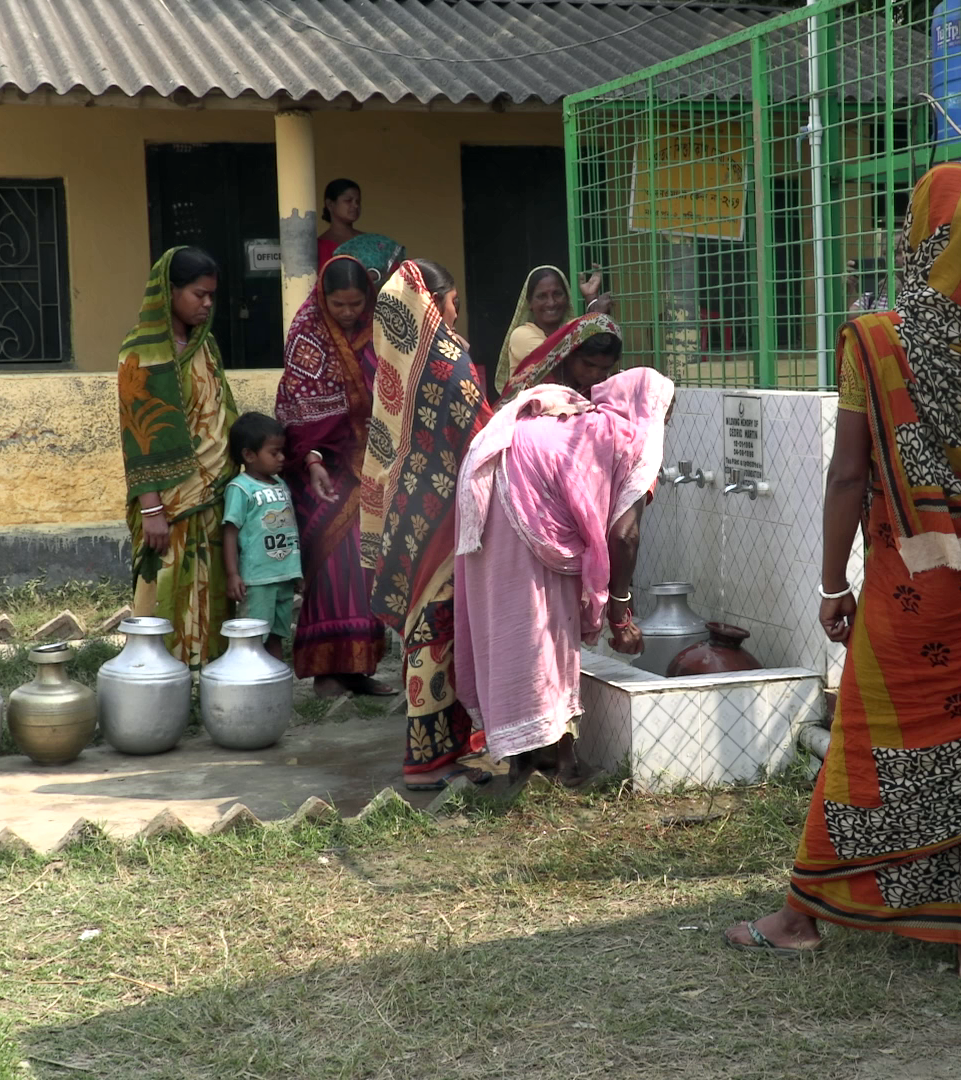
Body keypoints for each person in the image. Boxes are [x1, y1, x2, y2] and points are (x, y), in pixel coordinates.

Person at [722, 163, 961, 980]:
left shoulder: (878, 342)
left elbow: (848, 475)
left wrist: (829, 584)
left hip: (911, 597)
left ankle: (802, 917)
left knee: (866, 749)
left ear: (918, 238)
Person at [453, 367, 672, 786]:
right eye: (666, 415)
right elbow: (624, 536)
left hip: (485, 479)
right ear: (652, 411)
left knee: (507, 631)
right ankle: (560, 766)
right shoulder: (632, 440)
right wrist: (621, 617)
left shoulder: (582, 422)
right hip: (524, 505)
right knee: (543, 632)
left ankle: (522, 762)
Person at [361, 259, 495, 791]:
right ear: (433, 303)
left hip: (406, 513)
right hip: (441, 520)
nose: (457, 313)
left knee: (425, 627)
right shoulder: (445, 360)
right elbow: (478, 428)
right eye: (453, 302)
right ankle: (428, 758)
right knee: (437, 628)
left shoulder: (396, 359)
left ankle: (445, 744)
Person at [276, 253, 395, 696]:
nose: (348, 314)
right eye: (339, 305)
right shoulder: (307, 335)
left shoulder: (378, 331)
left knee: (366, 569)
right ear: (324, 299)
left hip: (371, 466)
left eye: (355, 305)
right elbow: (298, 413)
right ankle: (326, 669)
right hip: (320, 470)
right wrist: (312, 460)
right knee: (331, 570)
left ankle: (360, 667)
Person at [119, 246, 240, 670]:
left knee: (214, 587)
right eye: (198, 294)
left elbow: (221, 412)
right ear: (169, 292)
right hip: (169, 505)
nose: (207, 304)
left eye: (211, 296)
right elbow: (137, 434)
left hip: (215, 493)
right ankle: (160, 677)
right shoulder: (142, 353)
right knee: (169, 586)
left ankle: (212, 673)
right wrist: (151, 507)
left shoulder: (206, 349)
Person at [220, 413, 303, 660]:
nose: (282, 458)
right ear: (249, 455)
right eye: (274, 452)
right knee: (254, 637)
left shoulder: (280, 484)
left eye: (282, 451)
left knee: (277, 634)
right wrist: (233, 574)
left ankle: (274, 681)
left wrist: (296, 573)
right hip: (257, 580)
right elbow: (230, 533)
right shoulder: (240, 488)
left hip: (284, 575)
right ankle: (251, 682)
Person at [495, 265, 612, 396]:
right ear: (530, 303)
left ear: (567, 298)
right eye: (542, 296)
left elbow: (597, 353)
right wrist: (595, 315)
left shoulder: (573, 331)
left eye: (557, 294)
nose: (551, 303)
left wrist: (592, 300)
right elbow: (560, 363)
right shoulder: (521, 335)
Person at [499, 313, 624, 401]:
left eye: (605, 368)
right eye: (588, 364)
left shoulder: (608, 386)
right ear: (569, 353)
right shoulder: (537, 382)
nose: (595, 374)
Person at [315, 177, 364, 269]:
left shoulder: (369, 241)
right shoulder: (319, 248)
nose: (356, 205)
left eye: (358, 201)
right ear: (330, 204)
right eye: (348, 201)